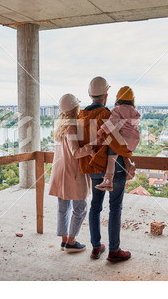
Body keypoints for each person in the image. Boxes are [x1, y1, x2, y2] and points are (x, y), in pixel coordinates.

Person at [77, 76, 132, 262]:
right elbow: (116, 144)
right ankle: (114, 250)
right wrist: (127, 162)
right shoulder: (109, 115)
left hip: (92, 168)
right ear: (106, 95)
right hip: (113, 169)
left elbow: (81, 145)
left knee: (95, 207)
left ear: (90, 95)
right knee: (115, 208)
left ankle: (95, 247)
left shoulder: (80, 116)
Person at [49, 93, 94, 253]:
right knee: (80, 207)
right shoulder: (72, 126)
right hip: (71, 172)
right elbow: (76, 153)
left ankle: (63, 241)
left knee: (63, 207)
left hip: (59, 171)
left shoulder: (60, 125)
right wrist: (91, 147)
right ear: (75, 107)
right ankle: (71, 241)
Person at [95, 86, 140, 191]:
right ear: (132, 100)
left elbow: (111, 123)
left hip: (122, 141)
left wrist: (101, 131)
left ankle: (108, 180)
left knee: (110, 142)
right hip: (132, 142)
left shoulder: (117, 109)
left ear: (118, 99)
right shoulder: (134, 111)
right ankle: (128, 164)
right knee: (120, 148)